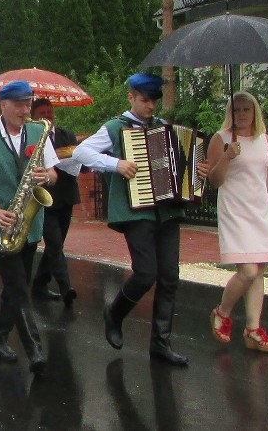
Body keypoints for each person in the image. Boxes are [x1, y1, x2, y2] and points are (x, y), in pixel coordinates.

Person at [72, 73, 205, 366]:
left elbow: (180, 163)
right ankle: (115, 313)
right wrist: (115, 163)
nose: (151, 106)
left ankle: (160, 343)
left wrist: (196, 172)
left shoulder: (163, 128)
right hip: (136, 211)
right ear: (131, 97)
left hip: (167, 210)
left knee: (170, 276)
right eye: (145, 100)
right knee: (146, 273)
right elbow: (82, 152)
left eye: (154, 100)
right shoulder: (116, 128)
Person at [0, 80, 59, 374]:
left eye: (28, 104)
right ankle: (34, 350)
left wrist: (46, 175)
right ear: (3, 105)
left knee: (14, 286)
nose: (25, 110)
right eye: (19, 105)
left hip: (31, 222)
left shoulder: (38, 131)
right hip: (2, 224)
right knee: (19, 287)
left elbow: (55, 175)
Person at [207, 92, 268, 353]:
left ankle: (253, 329)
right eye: (237, 109)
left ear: (255, 113)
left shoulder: (264, 140)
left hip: (259, 210)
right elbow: (215, 180)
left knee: (259, 271)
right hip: (235, 210)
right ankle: (222, 312)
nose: (241, 114)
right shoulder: (220, 140)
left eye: (246, 109)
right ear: (230, 112)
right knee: (248, 271)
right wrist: (227, 157)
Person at [30, 98, 80, 307]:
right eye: (42, 113)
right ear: (33, 117)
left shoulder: (65, 135)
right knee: (55, 244)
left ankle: (39, 284)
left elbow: (76, 158)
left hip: (65, 197)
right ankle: (65, 286)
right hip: (45, 200)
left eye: (49, 113)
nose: (47, 117)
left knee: (55, 247)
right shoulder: (32, 137)